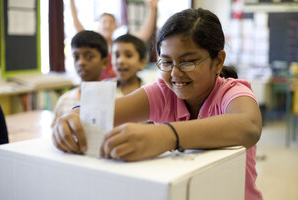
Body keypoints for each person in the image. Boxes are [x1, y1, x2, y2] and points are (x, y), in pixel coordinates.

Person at [52, 8, 263, 199]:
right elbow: (108, 112)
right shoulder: (163, 92)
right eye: (167, 62)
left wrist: (166, 135)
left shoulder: (232, 92)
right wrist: (74, 117)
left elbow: (249, 127)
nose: (175, 73)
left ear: (218, 61)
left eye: (188, 62)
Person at [70, 0, 159, 80]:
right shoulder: (92, 46)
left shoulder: (119, 46)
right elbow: (78, 26)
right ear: (98, 26)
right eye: (104, 22)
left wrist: (152, 8)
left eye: (111, 22)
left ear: (115, 26)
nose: (107, 25)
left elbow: (143, 35)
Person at [51, 30, 109, 126]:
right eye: (76, 57)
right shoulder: (64, 101)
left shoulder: (116, 99)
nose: (81, 62)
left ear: (104, 62)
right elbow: (55, 132)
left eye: (89, 56)